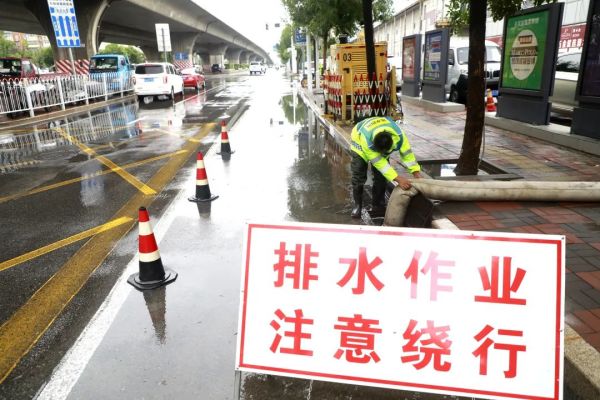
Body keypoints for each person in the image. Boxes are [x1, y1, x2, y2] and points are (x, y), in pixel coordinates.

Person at [350, 115, 422, 218]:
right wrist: (398, 179)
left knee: (381, 177)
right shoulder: (368, 142)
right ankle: (358, 205)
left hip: (377, 135)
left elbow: (407, 154)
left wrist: (416, 172)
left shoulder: (399, 135)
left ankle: (378, 205)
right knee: (358, 174)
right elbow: (381, 165)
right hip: (359, 141)